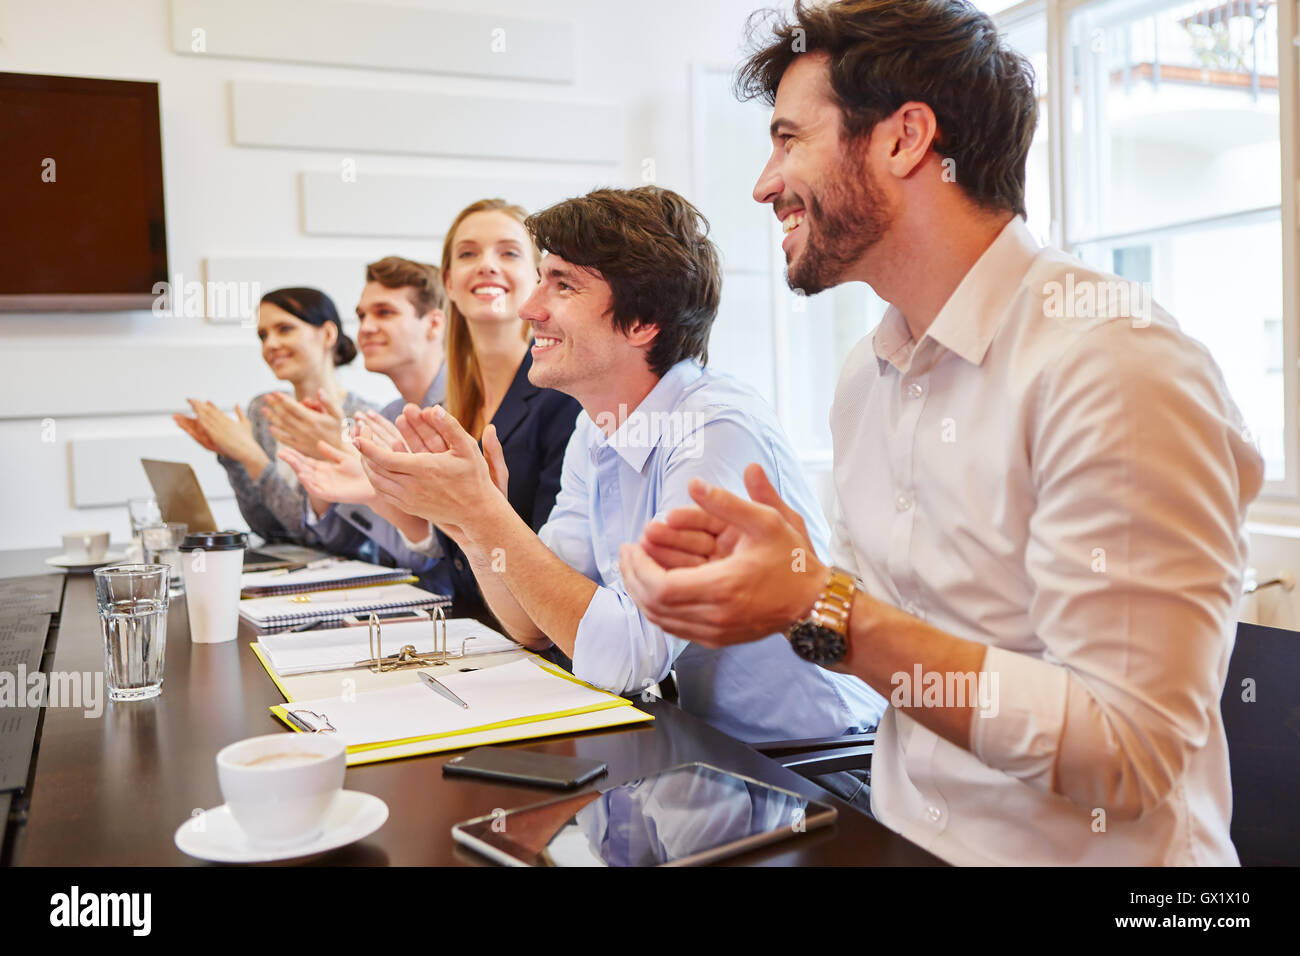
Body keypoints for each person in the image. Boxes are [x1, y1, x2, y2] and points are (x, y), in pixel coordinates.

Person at [617, 0, 1264, 866]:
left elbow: (1131, 748)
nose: (764, 184)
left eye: (788, 139)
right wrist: (782, 588)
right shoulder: (867, 375)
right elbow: (897, 631)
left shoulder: (1116, 365)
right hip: (901, 841)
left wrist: (822, 603)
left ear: (904, 138)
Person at [345, 187, 886, 799]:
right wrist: (471, 522)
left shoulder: (712, 428)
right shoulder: (596, 424)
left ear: (641, 322)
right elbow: (531, 625)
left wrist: (485, 514)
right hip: (705, 753)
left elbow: (628, 655)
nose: (530, 307)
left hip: (812, 769)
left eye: (562, 285)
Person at [282, 201, 581, 612]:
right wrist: (383, 493)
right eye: (468, 253)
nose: (487, 265)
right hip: (466, 634)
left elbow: (560, 570)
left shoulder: (564, 396)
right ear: (450, 283)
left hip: (541, 648)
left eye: (508, 252)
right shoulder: (452, 404)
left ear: (537, 277)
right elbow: (452, 551)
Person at [173, 287, 371, 547]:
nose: (270, 345)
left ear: (328, 334)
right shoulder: (263, 409)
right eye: (263, 335)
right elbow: (265, 527)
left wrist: (252, 458)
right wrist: (233, 458)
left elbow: (316, 537)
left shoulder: (363, 419)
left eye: (285, 329)